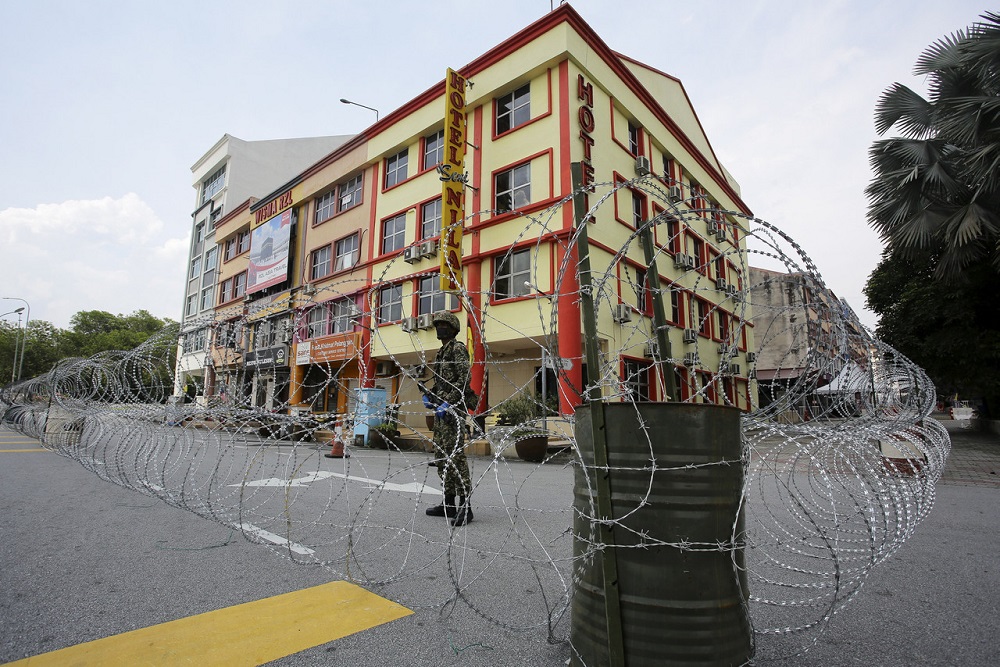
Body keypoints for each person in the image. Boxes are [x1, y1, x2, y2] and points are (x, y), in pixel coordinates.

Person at [422, 311, 475, 526]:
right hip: (442, 412)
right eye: (438, 324)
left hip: (453, 412)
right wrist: (431, 395)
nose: (439, 328)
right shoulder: (442, 352)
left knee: (456, 458)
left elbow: (464, 381)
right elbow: (443, 383)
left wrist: (448, 402)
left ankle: (466, 506)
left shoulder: (457, 349)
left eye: (443, 324)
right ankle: (449, 503)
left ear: (452, 328)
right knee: (442, 457)